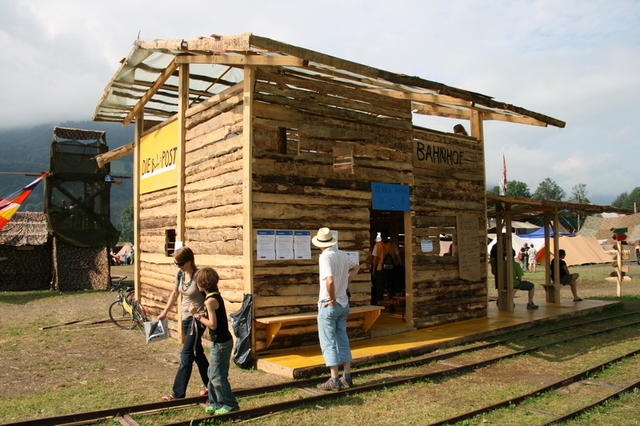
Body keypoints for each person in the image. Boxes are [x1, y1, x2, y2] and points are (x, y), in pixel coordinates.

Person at [312, 227, 360, 391]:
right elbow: (356, 266)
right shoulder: (342, 254)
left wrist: (331, 298)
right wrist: (346, 283)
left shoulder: (325, 257)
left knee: (328, 341)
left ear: (320, 244)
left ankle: (334, 379)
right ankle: (346, 375)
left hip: (329, 304)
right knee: (342, 339)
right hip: (344, 304)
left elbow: (330, 281)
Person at [158, 247, 209, 401]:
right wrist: (165, 312)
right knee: (197, 353)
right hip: (186, 319)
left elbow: (211, 297)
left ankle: (177, 394)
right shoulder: (180, 274)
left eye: (180, 263)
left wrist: (204, 314)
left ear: (189, 261)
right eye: (176, 263)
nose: (178, 266)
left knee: (186, 355)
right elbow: (175, 293)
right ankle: (212, 385)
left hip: (197, 320)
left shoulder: (199, 276)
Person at [191, 268, 239, 415]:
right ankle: (215, 402)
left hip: (222, 343)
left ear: (202, 285)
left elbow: (213, 324)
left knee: (218, 376)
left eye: (197, 283)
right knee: (211, 373)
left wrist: (197, 316)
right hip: (218, 342)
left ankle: (230, 405)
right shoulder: (213, 296)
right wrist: (200, 314)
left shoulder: (210, 301)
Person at [371, 230, 402, 304]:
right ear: (388, 237)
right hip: (391, 269)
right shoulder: (393, 245)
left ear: (381, 237)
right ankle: (392, 304)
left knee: (380, 287)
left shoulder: (377, 245)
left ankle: (379, 303)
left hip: (380, 268)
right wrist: (400, 267)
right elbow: (398, 257)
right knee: (391, 286)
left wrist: (373, 270)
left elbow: (375, 259)